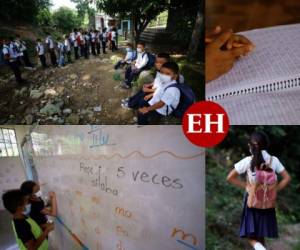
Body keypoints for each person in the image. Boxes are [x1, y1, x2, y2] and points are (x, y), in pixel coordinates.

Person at [227, 131, 291, 250]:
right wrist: (275, 190)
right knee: (260, 235)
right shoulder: (274, 160)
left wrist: (247, 187)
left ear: (251, 145)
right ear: (266, 144)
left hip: (252, 200)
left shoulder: (247, 161)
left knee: (250, 235)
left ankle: (259, 248)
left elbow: (230, 177)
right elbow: (287, 178)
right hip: (268, 201)